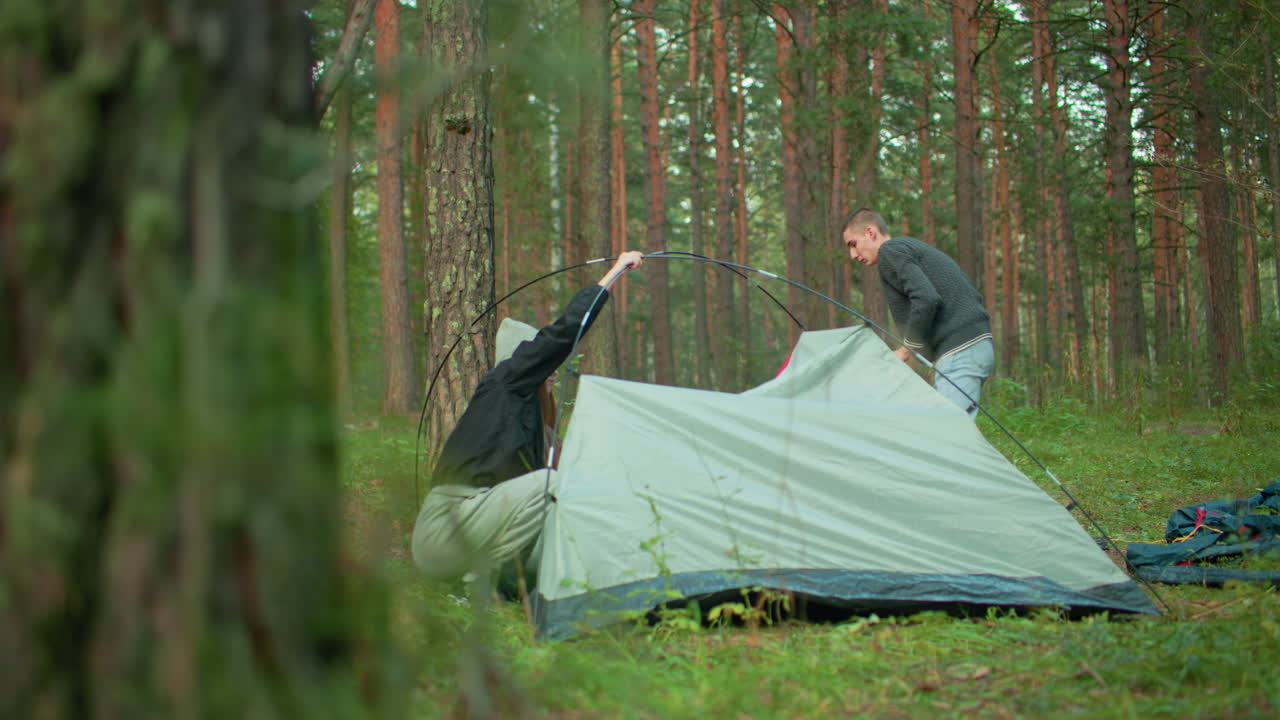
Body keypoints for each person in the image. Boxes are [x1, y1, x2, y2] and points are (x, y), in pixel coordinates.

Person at [411, 251, 645, 581]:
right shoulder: (506, 381)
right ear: (526, 360)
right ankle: (482, 581)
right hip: (444, 532)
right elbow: (562, 334)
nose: (552, 370)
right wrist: (616, 272)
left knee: (560, 552)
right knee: (550, 483)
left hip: (476, 528)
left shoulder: (532, 416)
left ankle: (498, 584)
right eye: (543, 361)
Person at [841, 208, 994, 418]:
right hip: (975, 345)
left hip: (959, 352)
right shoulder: (909, 248)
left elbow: (927, 299)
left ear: (870, 232)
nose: (852, 255)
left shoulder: (890, 251)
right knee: (959, 434)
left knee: (952, 438)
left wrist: (905, 350)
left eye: (853, 244)